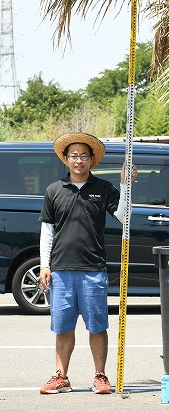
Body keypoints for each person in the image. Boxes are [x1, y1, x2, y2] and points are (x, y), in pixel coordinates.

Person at [38, 132, 136, 395]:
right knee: (63, 326)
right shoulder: (54, 191)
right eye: (74, 156)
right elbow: (47, 231)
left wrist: (125, 185)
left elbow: (124, 217)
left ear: (92, 160)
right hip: (61, 269)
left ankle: (100, 375)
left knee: (97, 325)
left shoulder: (104, 189)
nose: (78, 160)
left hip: (93, 270)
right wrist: (45, 265)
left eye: (84, 155)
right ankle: (61, 376)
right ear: (66, 159)